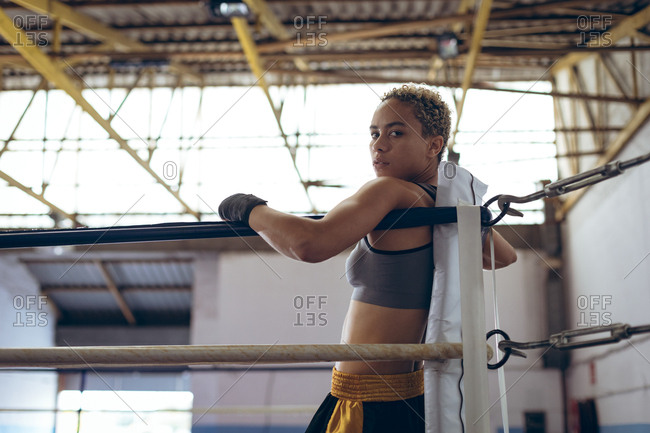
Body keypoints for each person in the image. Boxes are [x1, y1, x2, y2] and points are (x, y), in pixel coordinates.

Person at [218, 84, 517, 433]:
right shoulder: (446, 206)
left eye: (396, 132)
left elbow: (309, 243)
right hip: (412, 399)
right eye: (374, 133)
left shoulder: (390, 190)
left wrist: (249, 208)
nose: (379, 144)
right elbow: (504, 255)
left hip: (363, 400)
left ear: (434, 145)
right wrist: (470, 218)